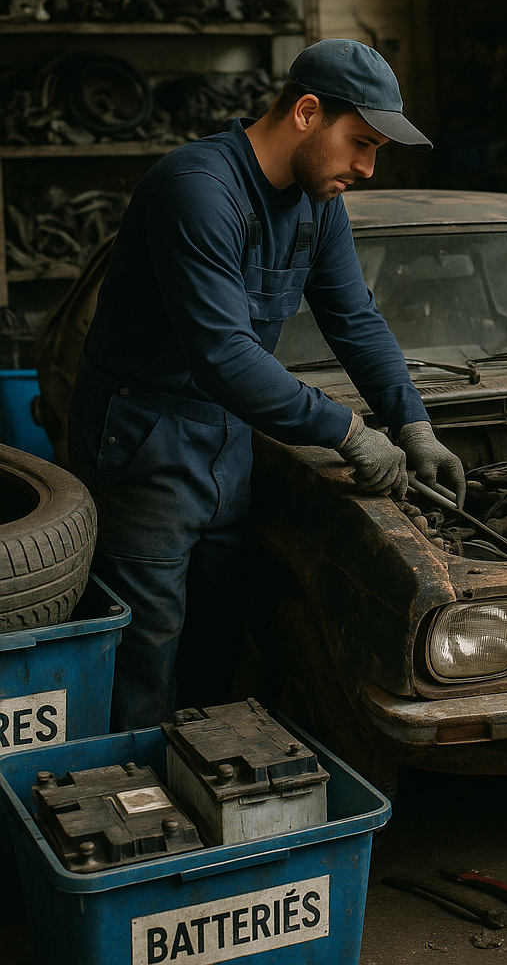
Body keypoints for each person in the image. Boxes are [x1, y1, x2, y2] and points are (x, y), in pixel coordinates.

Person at [67, 38, 466, 730]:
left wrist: (413, 424)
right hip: (147, 434)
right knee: (146, 641)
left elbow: (354, 319)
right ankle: (135, 806)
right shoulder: (197, 191)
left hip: (231, 435)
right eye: (360, 143)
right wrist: (347, 431)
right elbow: (223, 355)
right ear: (307, 112)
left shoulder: (317, 204)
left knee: (221, 625)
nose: (367, 167)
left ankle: (205, 782)